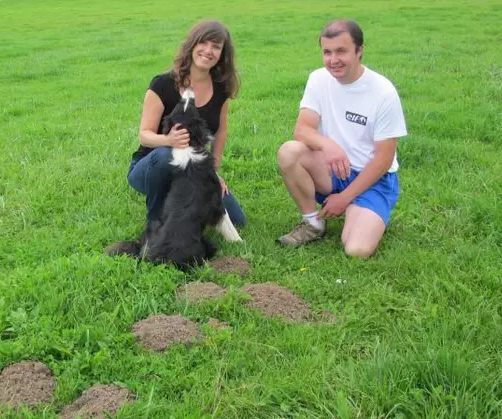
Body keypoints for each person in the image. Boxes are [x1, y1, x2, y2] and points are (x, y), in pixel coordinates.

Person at [276, 19, 407, 258]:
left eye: (341, 51)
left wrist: (345, 198)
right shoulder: (318, 79)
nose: (333, 60)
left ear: (359, 51)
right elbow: (302, 130)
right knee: (289, 151)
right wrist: (329, 145)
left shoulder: (383, 92)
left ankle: (364, 211)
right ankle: (312, 223)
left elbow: (384, 159)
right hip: (334, 169)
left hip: (373, 179)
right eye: (327, 52)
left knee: (356, 249)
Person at [127, 19, 246, 229]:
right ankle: (155, 221)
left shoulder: (221, 89)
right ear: (193, 45)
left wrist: (212, 173)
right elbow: (144, 134)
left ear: (222, 55)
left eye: (216, 47)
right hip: (151, 166)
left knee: (237, 220)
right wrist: (168, 139)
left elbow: (221, 132)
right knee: (166, 153)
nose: (208, 51)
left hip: (192, 168)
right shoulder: (162, 84)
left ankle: (183, 203)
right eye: (204, 43)